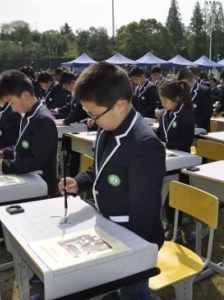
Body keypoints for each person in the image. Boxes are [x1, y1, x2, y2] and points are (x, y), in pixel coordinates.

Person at [58, 62, 165, 300]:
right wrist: (79, 182)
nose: (91, 120)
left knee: (134, 293)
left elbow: (145, 213)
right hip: (109, 228)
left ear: (120, 105)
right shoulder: (107, 126)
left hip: (133, 240)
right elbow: (101, 169)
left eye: (94, 114)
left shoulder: (144, 145)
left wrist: (124, 255)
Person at [0, 70, 58, 198]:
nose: (12, 108)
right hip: (28, 178)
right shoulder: (28, 114)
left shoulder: (43, 120)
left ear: (25, 96)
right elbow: (25, 145)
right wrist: (6, 152)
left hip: (41, 185)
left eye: (12, 102)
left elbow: (36, 160)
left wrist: (7, 165)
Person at [156, 79, 195, 240]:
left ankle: (176, 226)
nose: (163, 104)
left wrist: (167, 143)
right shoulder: (165, 114)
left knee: (175, 197)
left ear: (176, 98)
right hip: (167, 160)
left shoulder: (186, 114)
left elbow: (186, 142)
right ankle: (170, 223)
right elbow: (159, 133)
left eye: (165, 101)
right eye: (162, 101)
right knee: (166, 196)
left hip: (180, 162)